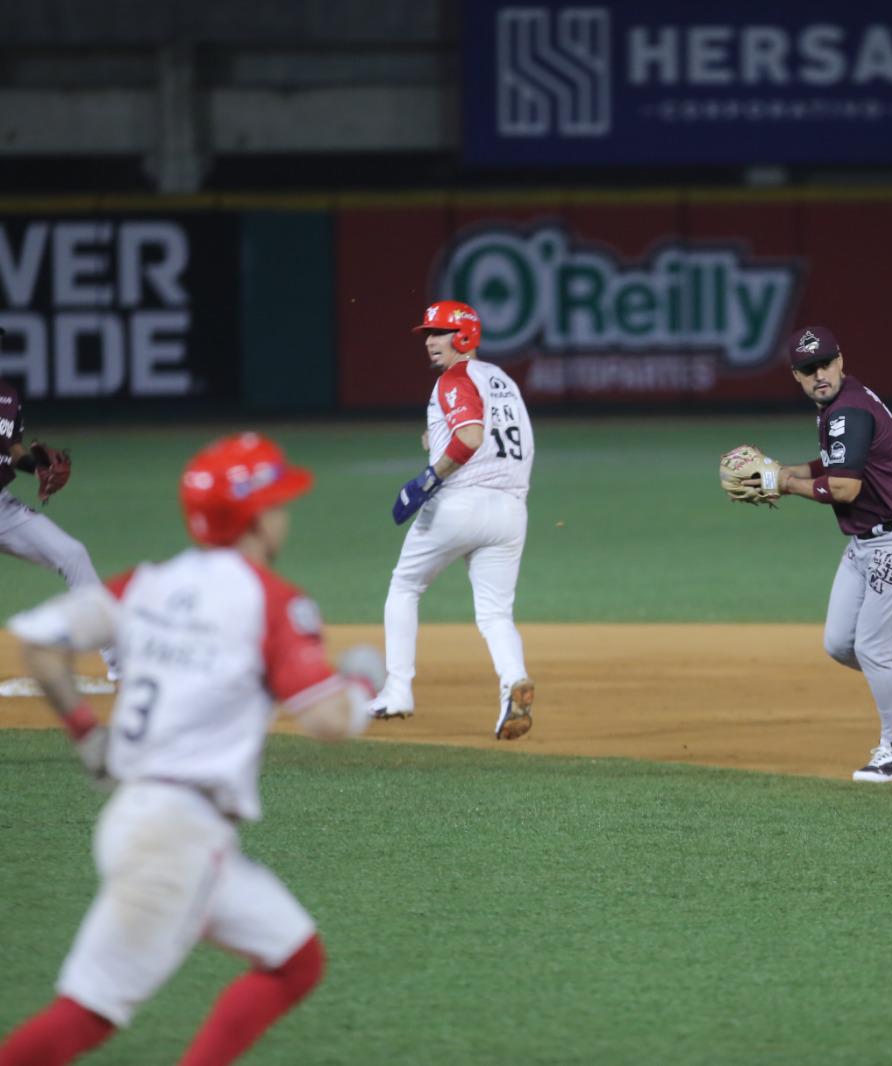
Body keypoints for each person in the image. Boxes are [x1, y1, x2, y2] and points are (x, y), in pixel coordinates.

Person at [0, 432, 384, 1066]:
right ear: (256, 516)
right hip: (173, 838)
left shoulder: (145, 584)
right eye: (277, 503)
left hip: (165, 823)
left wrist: (87, 736)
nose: (284, 515)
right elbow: (328, 722)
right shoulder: (271, 599)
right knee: (86, 1016)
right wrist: (363, 682)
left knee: (295, 961)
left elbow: (40, 643)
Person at [769, 325, 892, 783]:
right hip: (868, 541)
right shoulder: (840, 406)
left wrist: (785, 484)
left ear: (841, 360)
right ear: (796, 375)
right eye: (808, 369)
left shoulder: (847, 409)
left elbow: (845, 487)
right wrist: (788, 470)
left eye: (825, 363)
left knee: (872, 646)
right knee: (839, 644)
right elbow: (839, 462)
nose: (819, 374)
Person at [366, 300, 537, 740]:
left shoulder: (454, 378)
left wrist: (429, 476)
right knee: (496, 613)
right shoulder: (502, 379)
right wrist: (435, 438)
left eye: (439, 332)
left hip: (460, 504)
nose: (429, 342)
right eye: (427, 334)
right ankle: (513, 681)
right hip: (511, 511)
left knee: (405, 587)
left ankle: (398, 690)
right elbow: (486, 434)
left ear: (464, 336)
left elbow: (470, 437)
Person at [0, 331, 119, 682]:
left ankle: (121, 666)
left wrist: (35, 466)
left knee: (72, 554)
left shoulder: (7, 395)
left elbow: (13, 447)